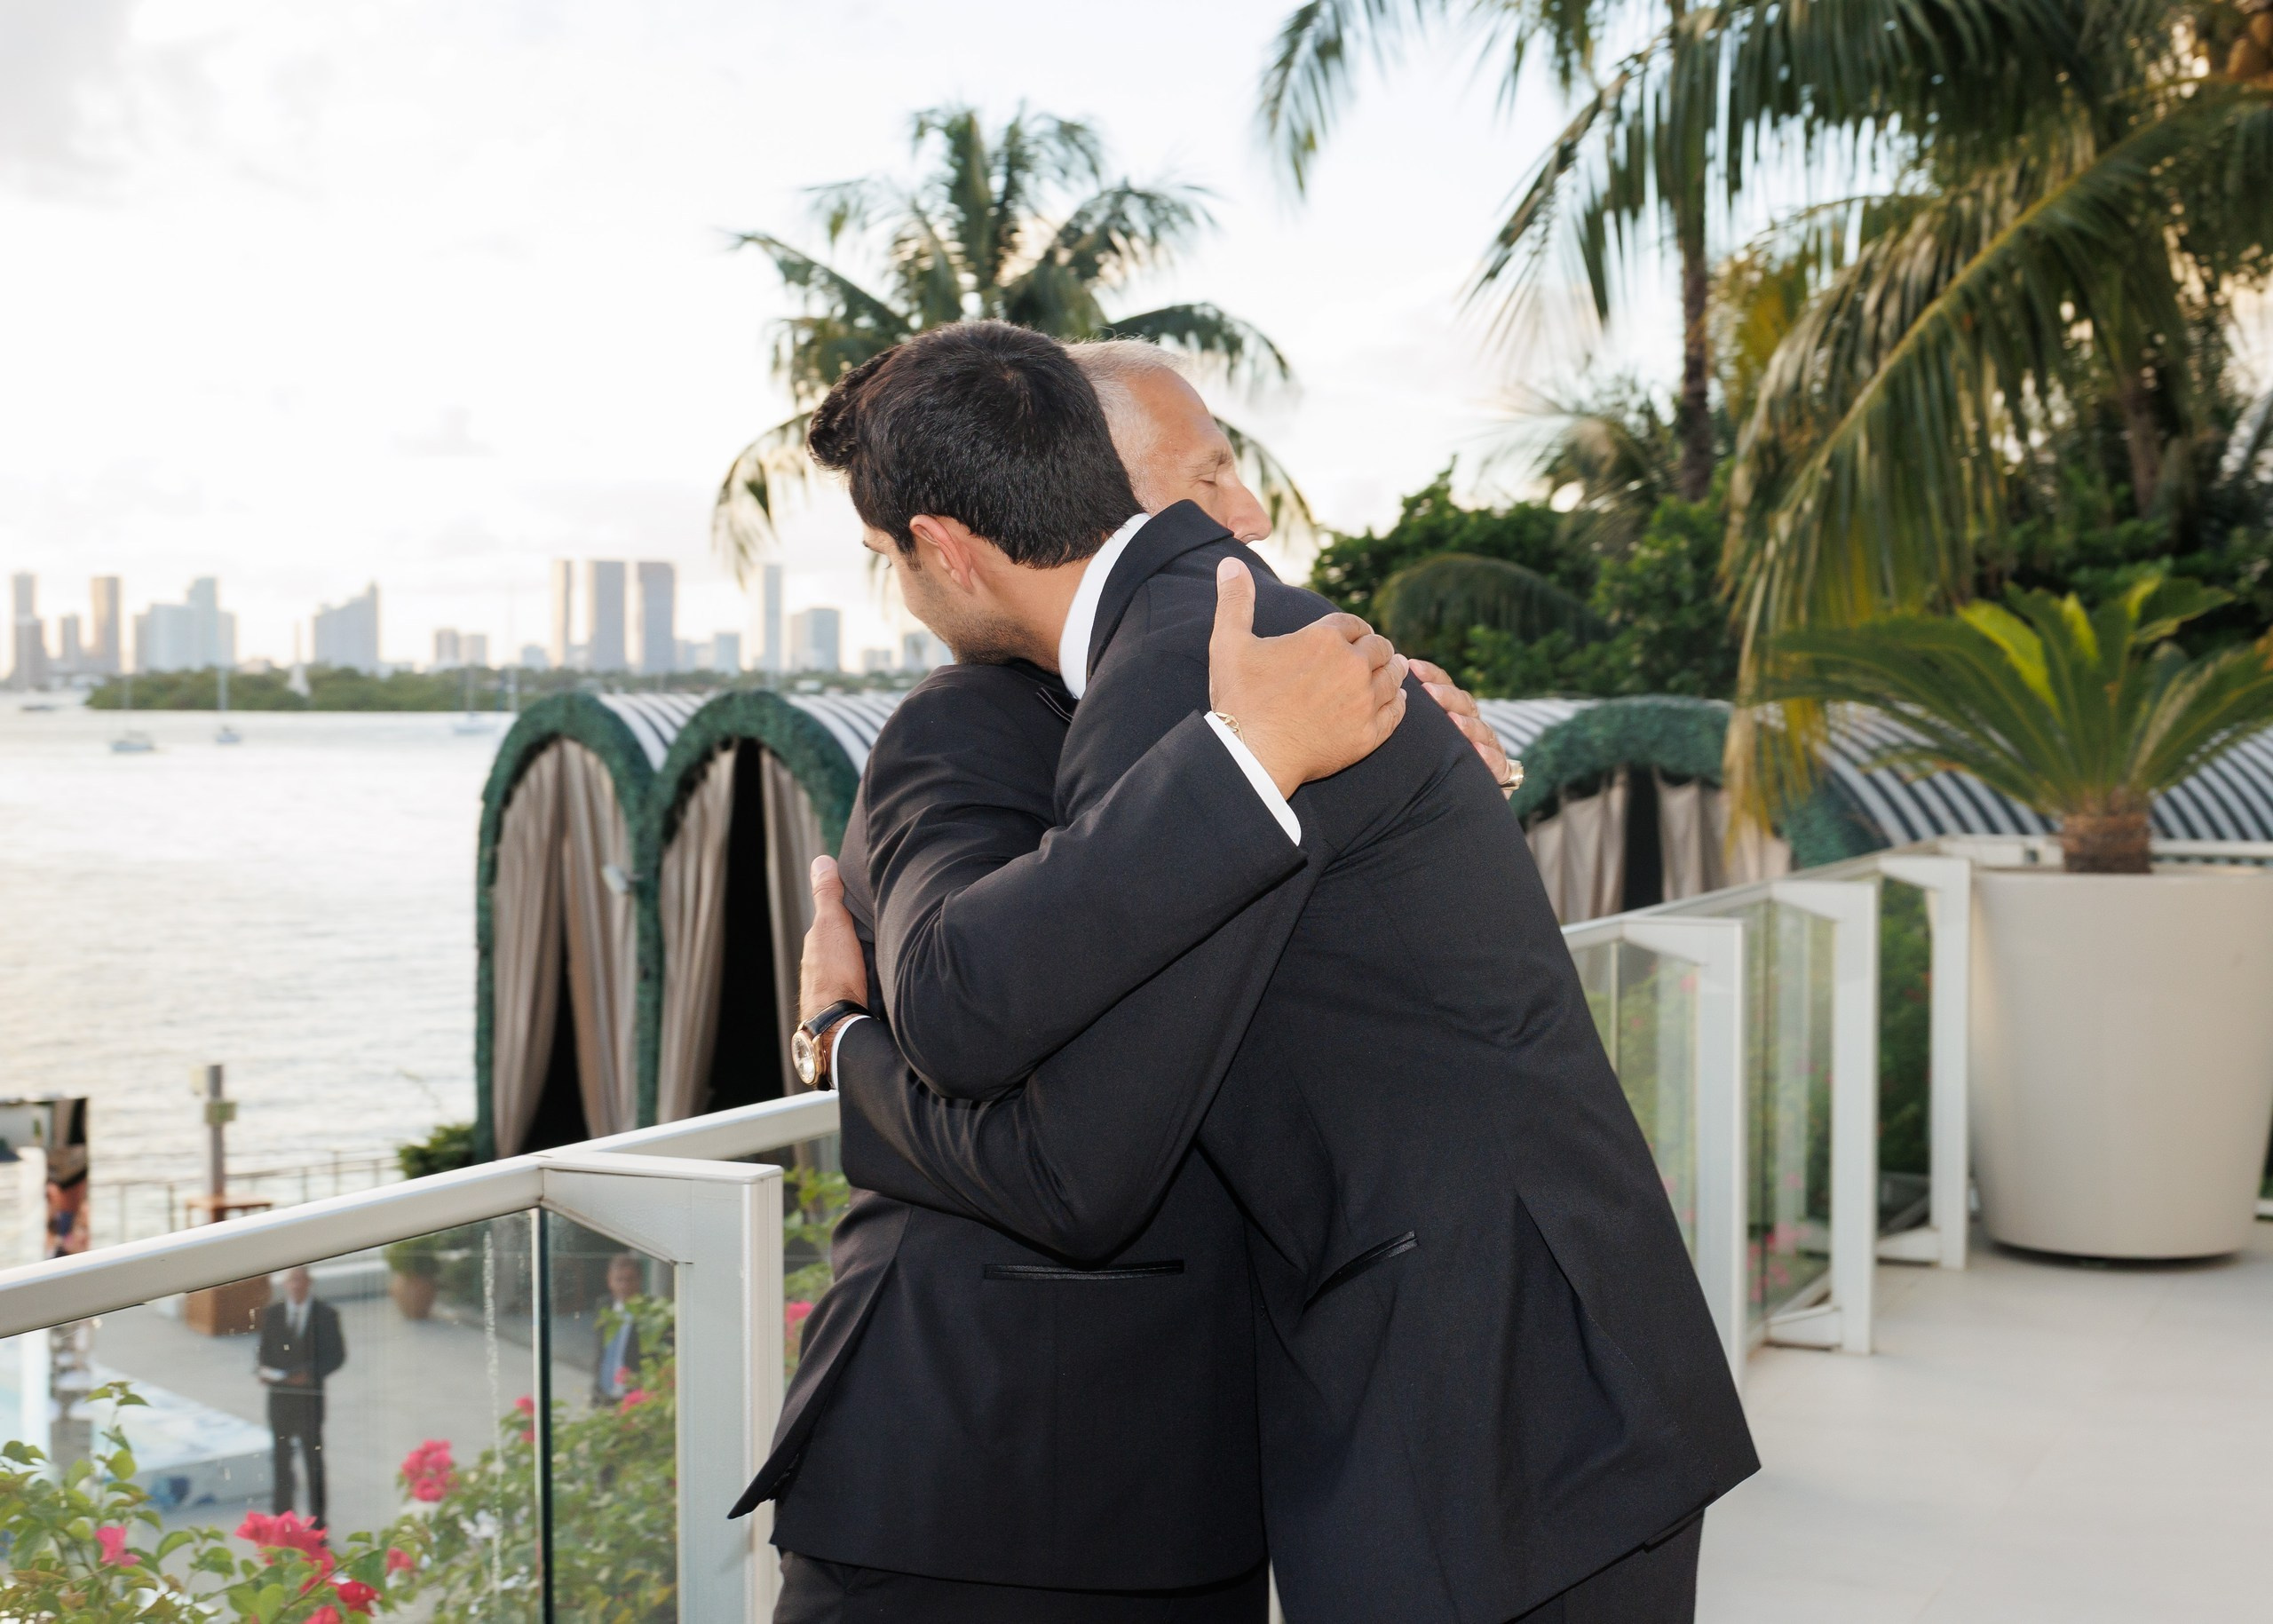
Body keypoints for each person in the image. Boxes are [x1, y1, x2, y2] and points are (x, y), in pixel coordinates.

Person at [749, 321, 1757, 1623]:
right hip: (1514, 1370)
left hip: (1482, 1395)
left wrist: (837, 1031)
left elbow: (990, 1047)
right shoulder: (1245, 650)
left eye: (888, 558)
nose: (1245, 514)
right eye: (1213, 473)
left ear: (941, 545)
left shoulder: (1196, 668)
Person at [256, 1266, 345, 1530]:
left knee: (313, 1463)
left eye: (299, 1280)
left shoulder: (326, 1315)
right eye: (291, 1281)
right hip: (280, 1402)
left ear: (308, 1283)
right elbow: (263, 1353)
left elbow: (337, 1356)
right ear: (285, 1284)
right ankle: (283, 1523)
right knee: (281, 1462)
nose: (295, 1286)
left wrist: (310, 1375)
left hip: (309, 1402)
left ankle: (319, 1526)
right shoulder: (273, 1314)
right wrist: (265, 1373)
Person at [593, 1253, 647, 1405]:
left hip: (634, 1398)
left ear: (639, 1280)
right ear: (610, 1281)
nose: (624, 1286)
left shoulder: (649, 1312)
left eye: (630, 1280)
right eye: (619, 1280)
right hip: (603, 1395)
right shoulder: (603, 1306)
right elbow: (600, 1351)